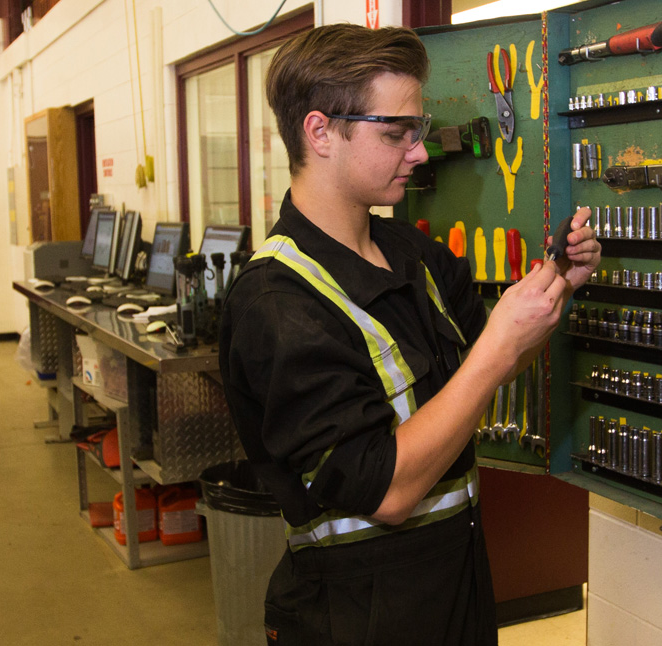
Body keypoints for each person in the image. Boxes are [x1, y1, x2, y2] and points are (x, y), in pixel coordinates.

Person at [219, 23, 600, 646]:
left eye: (417, 132)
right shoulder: (277, 305)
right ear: (320, 132)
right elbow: (388, 492)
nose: (419, 153)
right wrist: (499, 344)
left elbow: (488, 369)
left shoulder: (411, 254)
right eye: (397, 133)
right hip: (357, 613)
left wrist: (557, 283)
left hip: (456, 587)